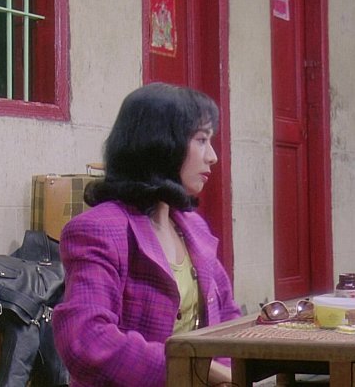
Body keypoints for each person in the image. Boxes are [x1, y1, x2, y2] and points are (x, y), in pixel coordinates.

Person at [53, 83, 241, 386]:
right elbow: (86, 341)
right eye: (201, 140)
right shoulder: (99, 230)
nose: (213, 156)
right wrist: (196, 370)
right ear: (162, 144)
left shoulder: (193, 226)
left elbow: (229, 316)